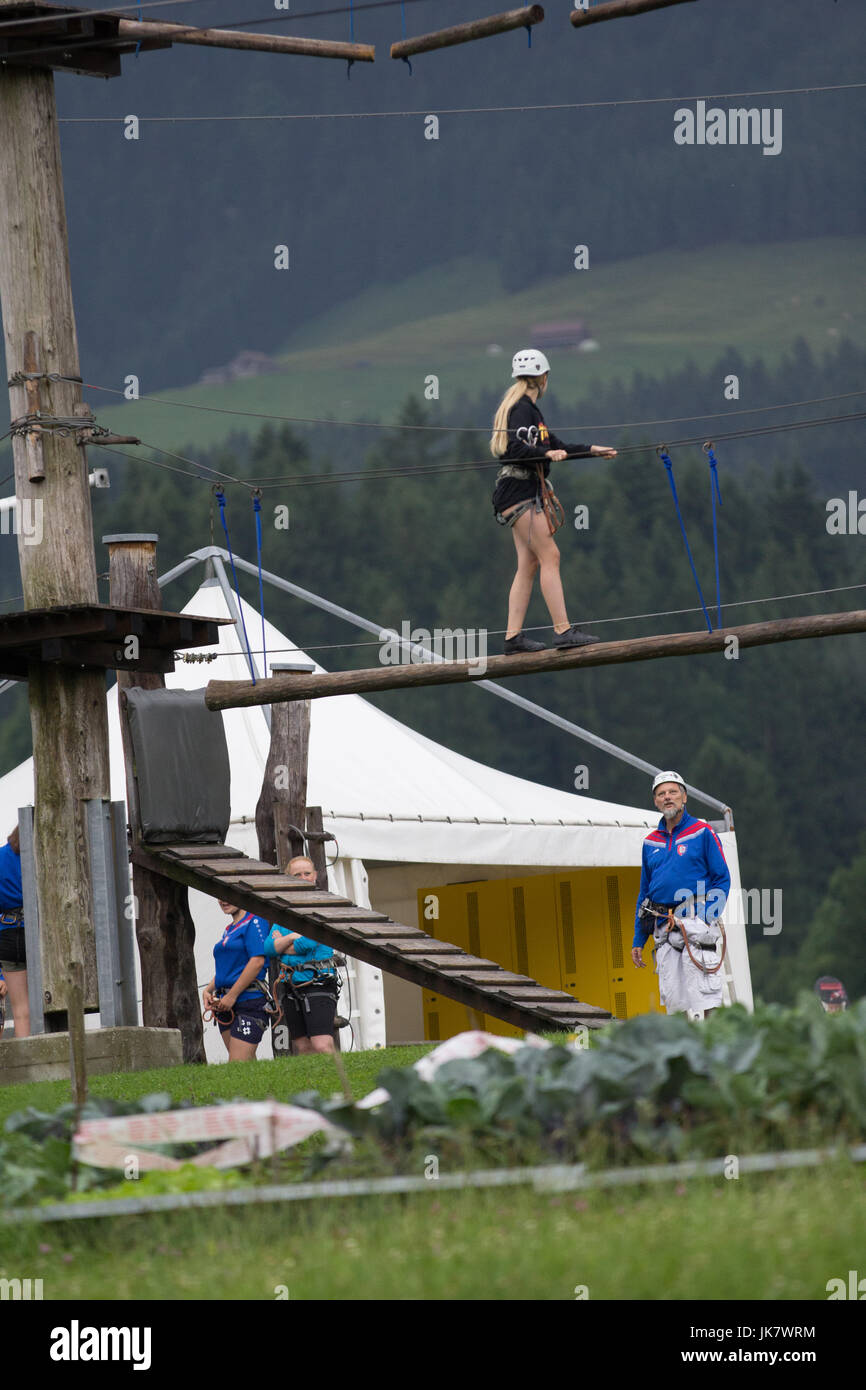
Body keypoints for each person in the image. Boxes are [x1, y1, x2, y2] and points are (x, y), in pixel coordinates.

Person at [490, 348, 617, 654]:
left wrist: (591, 450)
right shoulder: (522, 410)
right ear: (543, 378)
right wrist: (546, 455)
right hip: (519, 492)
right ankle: (562, 630)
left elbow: (555, 445)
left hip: (518, 492)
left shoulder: (529, 411)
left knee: (529, 563)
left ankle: (512, 638)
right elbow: (513, 450)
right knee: (551, 556)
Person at [631, 771, 731, 1019]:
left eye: (673, 792)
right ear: (655, 801)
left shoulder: (703, 832)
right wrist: (638, 939)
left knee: (705, 997)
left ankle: (713, 1052)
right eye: (661, 794)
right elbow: (645, 894)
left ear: (684, 797)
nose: (667, 798)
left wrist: (705, 918)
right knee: (675, 1002)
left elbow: (722, 879)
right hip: (663, 928)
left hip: (696, 924)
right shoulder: (650, 843)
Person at [201, 900, 272, 1060]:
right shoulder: (229, 929)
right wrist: (208, 989)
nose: (223, 900)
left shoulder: (254, 921)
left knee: (237, 1063)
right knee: (244, 1067)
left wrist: (232, 995)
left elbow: (257, 961)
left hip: (249, 1000)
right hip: (224, 1004)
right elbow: (229, 969)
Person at [264, 921, 339, 1055]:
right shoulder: (281, 918)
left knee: (322, 1045)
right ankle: (312, 1076)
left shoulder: (316, 913)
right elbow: (269, 948)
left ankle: (335, 1075)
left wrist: (281, 944)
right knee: (302, 1046)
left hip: (319, 984)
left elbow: (308, 942)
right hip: (291, 988)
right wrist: (292, 937)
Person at [0, 826, 29, 1038]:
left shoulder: (1, 857)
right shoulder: (41, 855)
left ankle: (26, 1065)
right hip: (40, 935)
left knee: (20, 1011)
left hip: (9, 935)